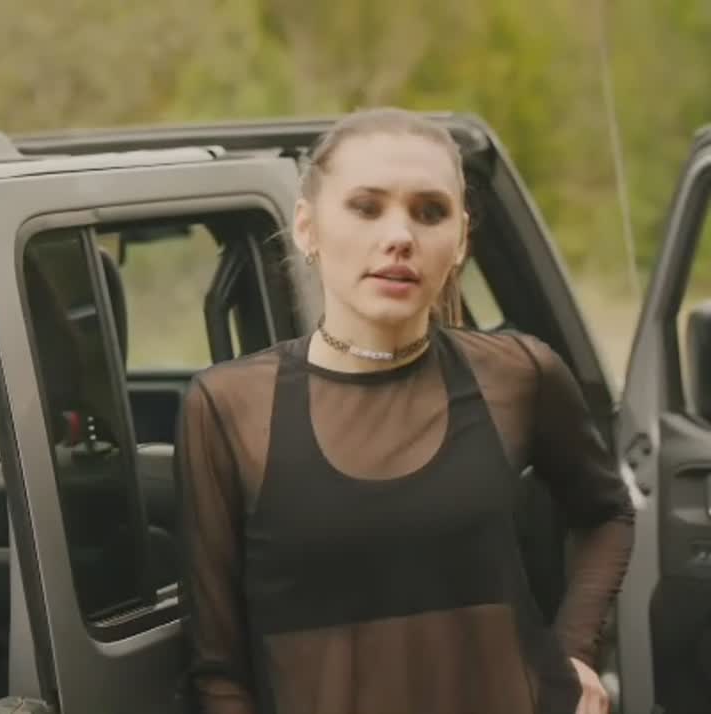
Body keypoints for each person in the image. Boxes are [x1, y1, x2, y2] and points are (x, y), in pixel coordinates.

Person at [175, 107, 635, 714]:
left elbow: (607, 514)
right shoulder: (229, 408)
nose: (400, 237)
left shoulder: (519, 374)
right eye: (367, 207)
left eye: (430, 212)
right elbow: (217, 672)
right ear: (307, 228)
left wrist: (574, 653)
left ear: (461, 238)